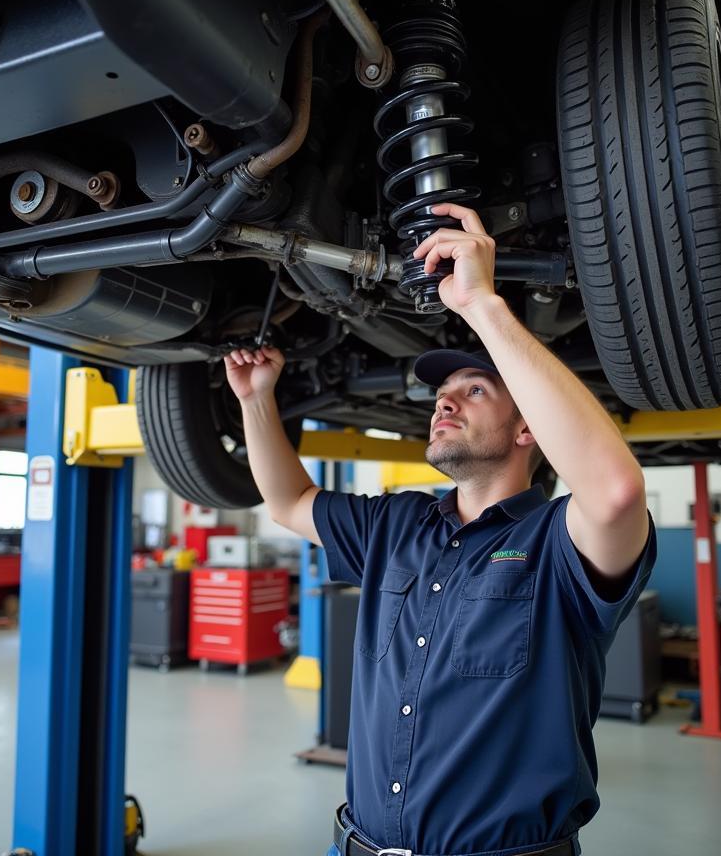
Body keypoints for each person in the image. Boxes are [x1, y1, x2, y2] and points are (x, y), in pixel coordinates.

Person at [225, 203, 656, 856]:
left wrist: (482, 306)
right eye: (441, 392)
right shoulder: (395, 526)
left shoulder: (558, 547)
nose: (444, 401)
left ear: (526, 428)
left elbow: (617, 493)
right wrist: (257, 400)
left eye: (475, 390)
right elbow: (289, 502)